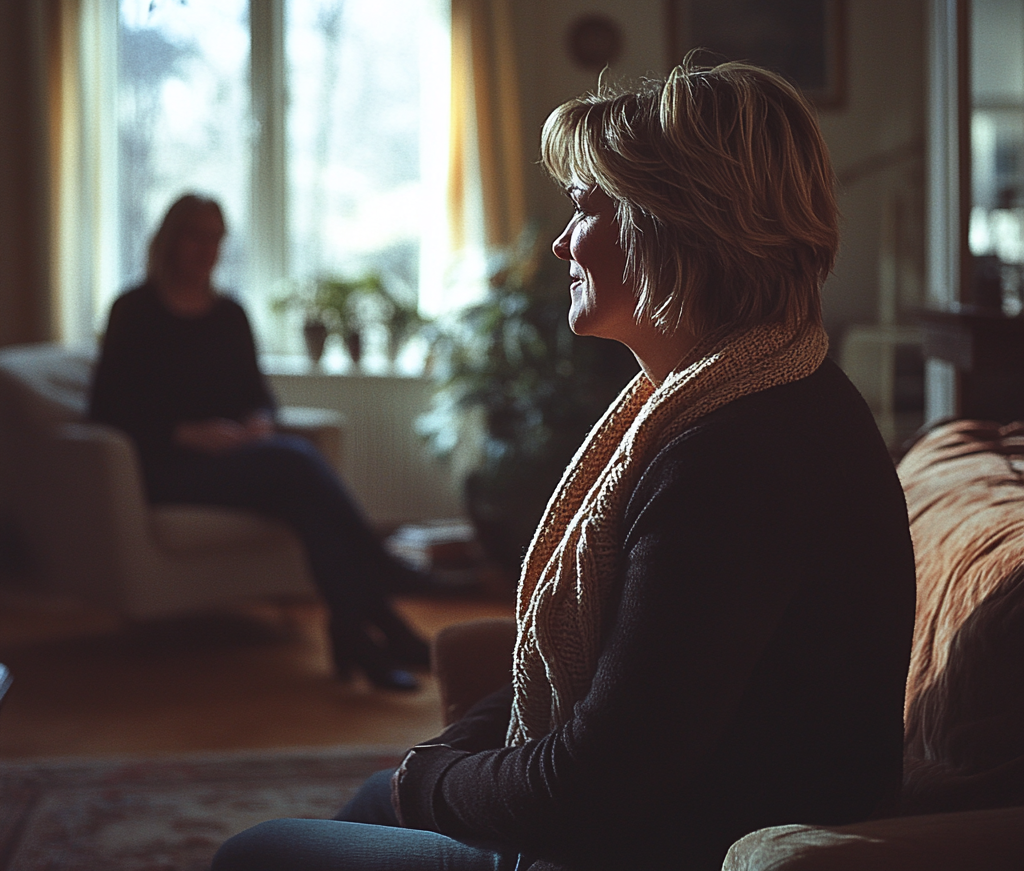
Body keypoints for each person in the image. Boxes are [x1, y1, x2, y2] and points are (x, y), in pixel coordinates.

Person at [211, 61, 917, 871]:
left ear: (669, 223)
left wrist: (428, 783)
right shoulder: (751, 397)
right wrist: (435, 765)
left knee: (256, 853)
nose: (559, 239)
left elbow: (597, 782)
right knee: (376, 797)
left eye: (584, 205)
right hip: (657, 819)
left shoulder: (738, 459)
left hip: (669, 849)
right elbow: (600, 677)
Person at [89, 193, 430, 692]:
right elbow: (105, 410)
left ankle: (357, 632)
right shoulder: (134, 311)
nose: (207, 248)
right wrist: (186, 433)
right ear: (170, 239)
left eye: (215, 237)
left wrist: (257, 422)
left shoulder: (229, 314)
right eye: (195, 236)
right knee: (295, 464)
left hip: (238, 461)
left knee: (303, 497)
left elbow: (259, 397)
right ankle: (380, 609)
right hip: (166, 467)